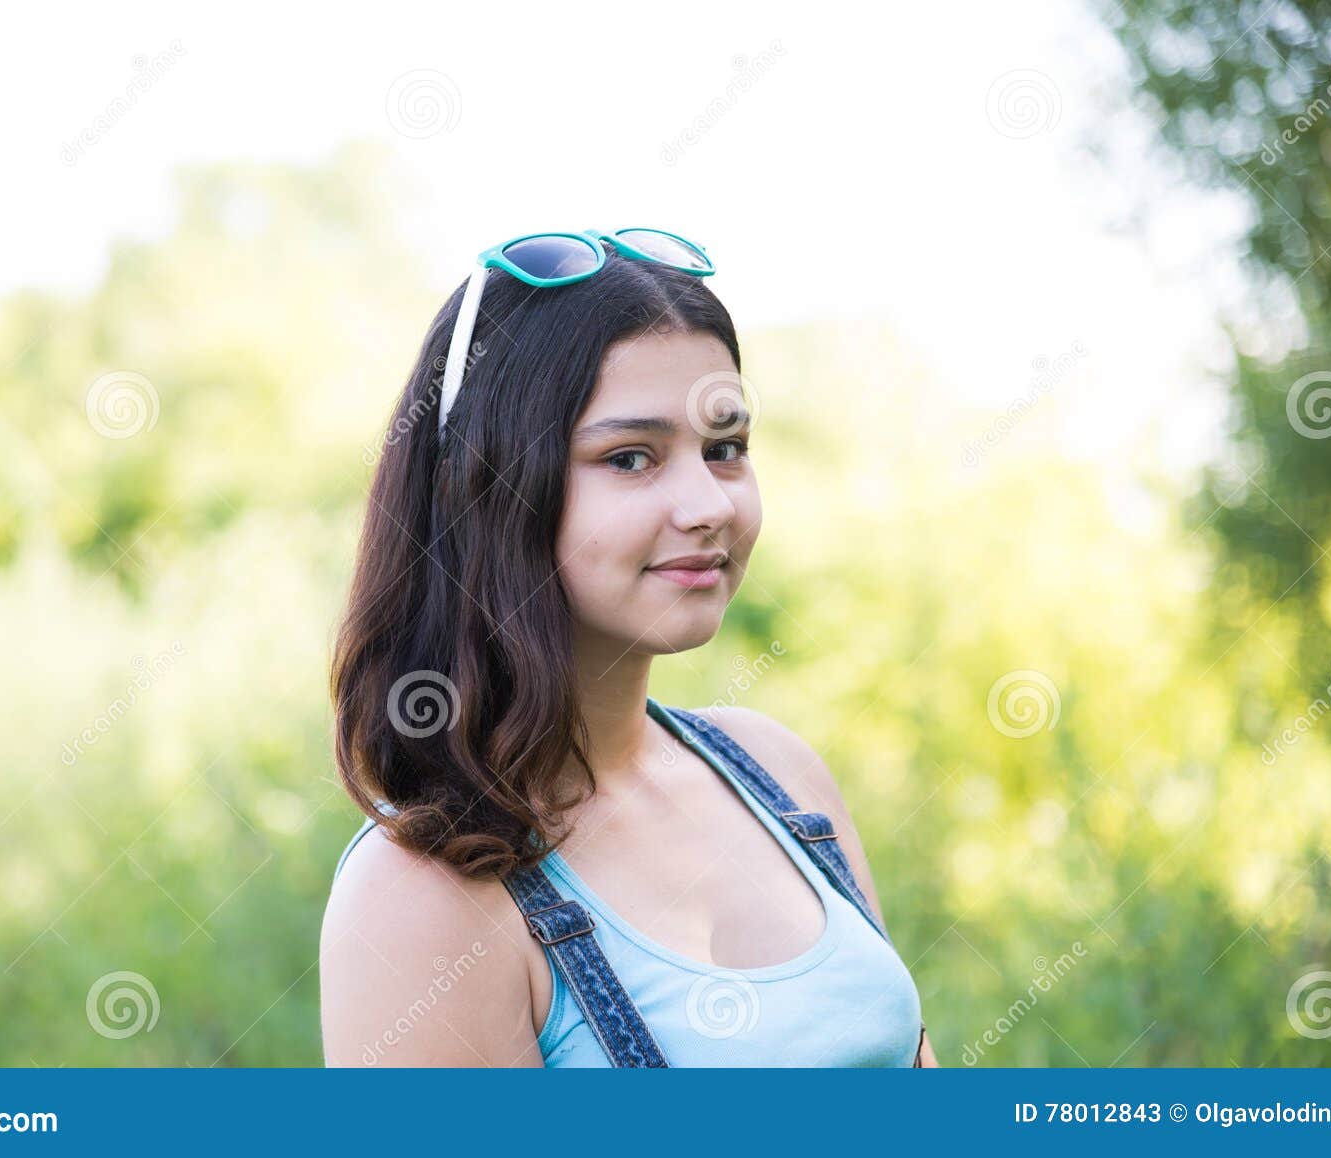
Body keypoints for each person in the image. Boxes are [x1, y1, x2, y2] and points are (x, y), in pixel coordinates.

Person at [320, 229, 936, 1067]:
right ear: (489, 490)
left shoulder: (777, 773)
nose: (707, 503)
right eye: (631, 457)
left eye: (725, 449)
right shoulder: (422, 896)